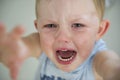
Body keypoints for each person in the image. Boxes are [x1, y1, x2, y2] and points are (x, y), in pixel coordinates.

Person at [0, 0, 120, 80]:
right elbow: (28, 45)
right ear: (38, 28)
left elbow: (111, 65)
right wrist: (19, 48)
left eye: (78, 25)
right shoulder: (42, 44)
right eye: (51, 26)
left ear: (99, 30)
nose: (62, 37)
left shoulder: (98, 59)